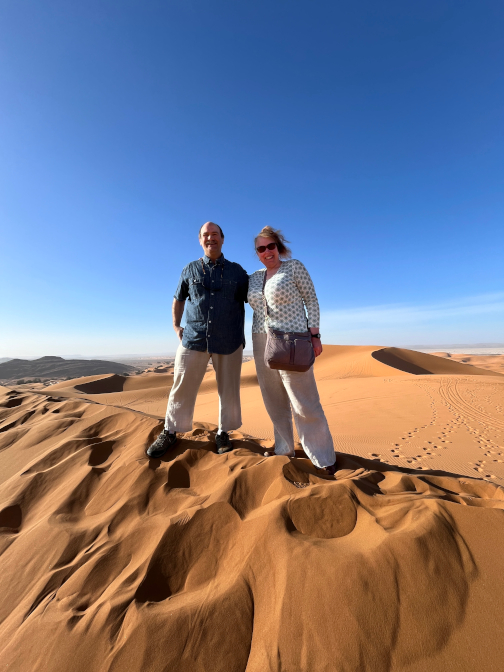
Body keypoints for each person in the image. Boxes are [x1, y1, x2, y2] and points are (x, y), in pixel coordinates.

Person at [146, 222, 248, 458]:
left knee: (229, 390)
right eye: (205, 235)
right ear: (200, 240)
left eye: (214, 235)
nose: (210, 238)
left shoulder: (238, 272)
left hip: (229, 340)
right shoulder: (189, 269)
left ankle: (223, 432)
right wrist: (175, 326)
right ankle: (170, 431)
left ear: (223, 239)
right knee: (181, 387)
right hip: (193, 338)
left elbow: (253, 297)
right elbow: (178, 298)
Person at [247, 226, 337, 475]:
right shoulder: (254, 278)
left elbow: (312, 300)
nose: (267, 252)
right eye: (261, 248)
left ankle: (323, 456)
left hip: (292, 339)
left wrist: (315, 334)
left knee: (304, 400)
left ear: (279, 247)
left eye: (271, 246)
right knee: (273, 398)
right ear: (257, 253)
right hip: (261, 340)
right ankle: (283, 448)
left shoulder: (294, 267)